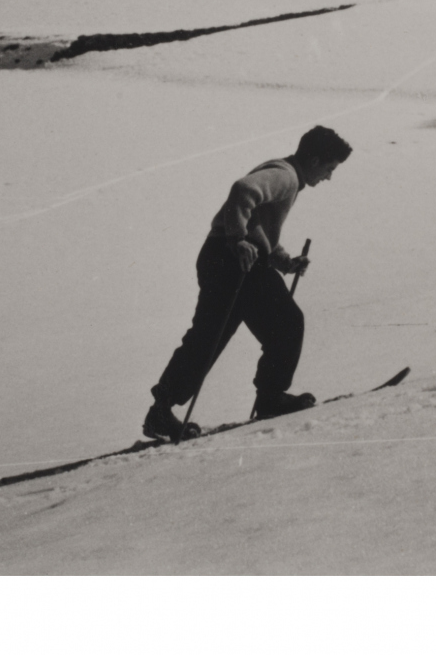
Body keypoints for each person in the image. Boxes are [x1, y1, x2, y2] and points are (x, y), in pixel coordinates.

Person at [143, 125, 353, 442]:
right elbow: (243, 190)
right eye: (329, 168)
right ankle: (270, 398)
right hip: (234, 261)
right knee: (286, 323)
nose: (329, 177)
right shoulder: (286, 177)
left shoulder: (284, 172)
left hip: (222, 257)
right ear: (313, 160)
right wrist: (238, 239)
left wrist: (283, 260)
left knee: (209, 336)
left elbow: (257, 224)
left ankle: (161, 410)